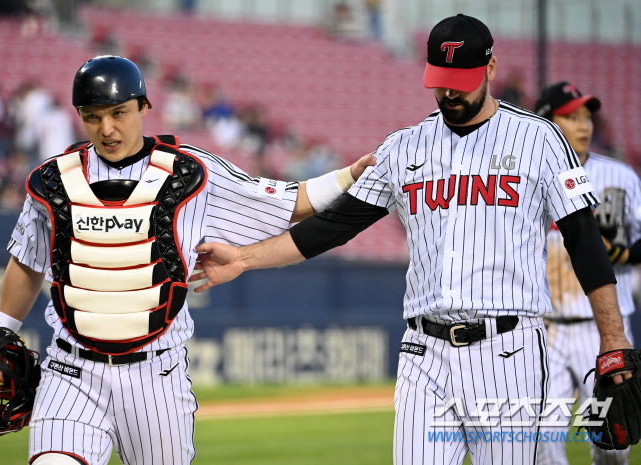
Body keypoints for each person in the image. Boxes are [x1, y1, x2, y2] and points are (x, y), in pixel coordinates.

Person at [192, 14, 634, 465]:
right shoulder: (403, 148)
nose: (449, 92)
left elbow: (584, 242)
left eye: (461, 80)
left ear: (491, 68)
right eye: (441, 80)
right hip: (424, 353)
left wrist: (614, 340)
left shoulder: (539, 139)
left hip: (509, 351)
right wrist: (244, 258)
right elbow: (330, 227)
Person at [0, 55, 375, 465]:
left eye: (119, 113)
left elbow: (292, 202)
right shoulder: (53, 181)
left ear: (144, 107)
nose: (107, 128)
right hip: (70, 372)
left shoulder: (192, 173)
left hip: (157, 378)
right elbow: (27, 262)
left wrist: (349, 175)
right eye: (92, 116)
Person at [535, 82, 641, 465]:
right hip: (545, 330)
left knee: (612, 441)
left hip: (600, 329)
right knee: (542, 440)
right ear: (546, 121)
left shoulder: (620, 177)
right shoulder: (529, 179)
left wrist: (625, 251)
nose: (584, 126)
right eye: (572, 117)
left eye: (587, 117)